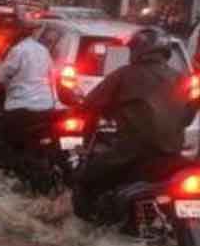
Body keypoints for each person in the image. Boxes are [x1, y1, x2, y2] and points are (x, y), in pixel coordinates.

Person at [72, 28, 198, 221]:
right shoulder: (182, 79)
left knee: (85, 178)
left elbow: (89, 106)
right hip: (172, 157)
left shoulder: (125, 75)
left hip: (132, 155)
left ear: (140, 49)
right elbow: (187, 118)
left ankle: (87, 228)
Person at [0, 8, 55, 193]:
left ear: (18, 31)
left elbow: (0, 80)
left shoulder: (18, 51)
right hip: (46, 107)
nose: (8, 33)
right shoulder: (43, 50)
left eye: (10, 30)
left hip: (22, 107)